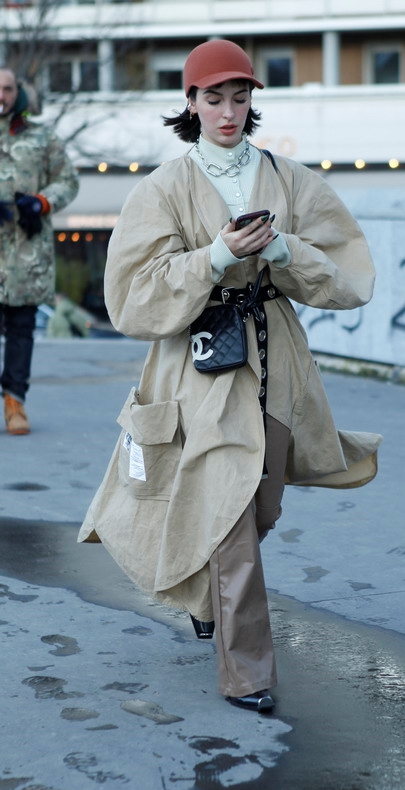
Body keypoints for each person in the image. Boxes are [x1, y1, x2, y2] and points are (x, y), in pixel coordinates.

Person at [78, 39, 382, 713]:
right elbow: (129, 297)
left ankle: (203, 593)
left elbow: (350, 275)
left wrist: (284, 248)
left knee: (261, 504)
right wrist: (213, 257)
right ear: (189, 103)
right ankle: (248, 673)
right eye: (213, 98)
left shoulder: (290, 178)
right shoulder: (163, 188)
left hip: (277, 363)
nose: (227, 112)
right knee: (229, 510)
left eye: (239, 98)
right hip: (200, 367)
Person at [0, 67, 79, 435]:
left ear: (18, 92)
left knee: (21, 331)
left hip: (26, 255)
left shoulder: (42, 137)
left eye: (7, 88)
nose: (1, 95)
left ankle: (14, 403)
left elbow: (68, 179)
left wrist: (42, 202)